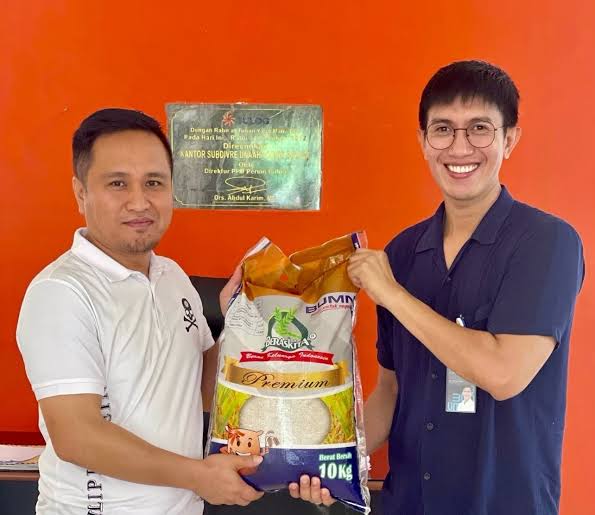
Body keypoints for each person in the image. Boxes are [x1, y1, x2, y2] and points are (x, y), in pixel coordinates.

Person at [293, 60, 585, 514]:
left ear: (510, 139)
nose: (459, 147)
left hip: (502, 503)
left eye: (480, 129)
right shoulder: (404, 252)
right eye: (443, 129)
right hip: (409, 501)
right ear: (423, 142)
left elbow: (504, 373)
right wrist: (330, 460)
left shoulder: (546, 243)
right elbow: (390, 391)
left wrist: (393, 295)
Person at [16, 108, 262, 515]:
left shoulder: (172, 277)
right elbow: (77, 436)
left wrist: (237, 324)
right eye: (117, 183)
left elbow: (200, 389)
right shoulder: (61, 292)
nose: (139, 201)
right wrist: (199, 477)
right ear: (80, 193)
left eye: (154, 182)